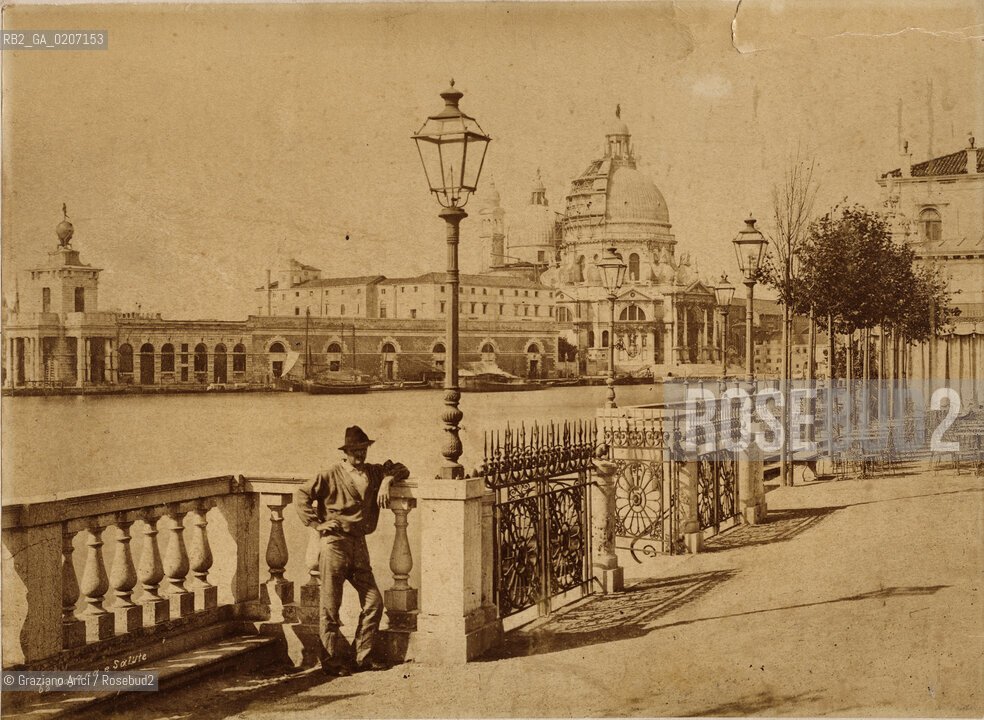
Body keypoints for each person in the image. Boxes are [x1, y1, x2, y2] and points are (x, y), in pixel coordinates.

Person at [294, 425, 410, 676]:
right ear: (345, 452)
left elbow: (401, 468)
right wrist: (317, 524)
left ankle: (363, 657)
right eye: (355, 450)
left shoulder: (373, 472)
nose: (360, 454)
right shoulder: (329, 474)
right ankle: (331, 661)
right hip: (334, 544)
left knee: (374, 602)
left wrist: (387, 481)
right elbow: (301, 495)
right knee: (330, 607)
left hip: (359, 545)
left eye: (363, 449)